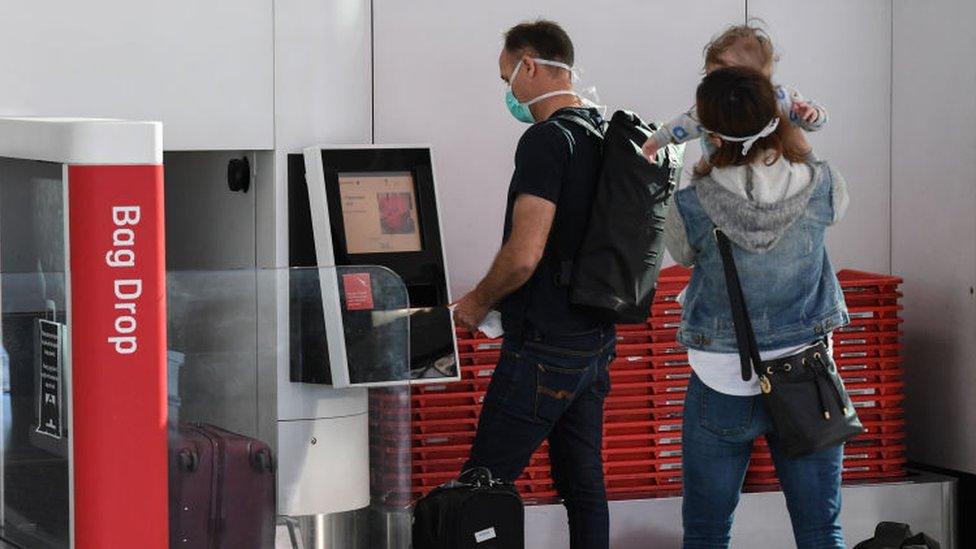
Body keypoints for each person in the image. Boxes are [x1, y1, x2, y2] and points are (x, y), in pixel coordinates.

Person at [665, 65, 850, 549]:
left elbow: (682, 255)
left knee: (707, 533)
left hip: (720, 380)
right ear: (777, 116)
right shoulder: (821, 183)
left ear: (708, 129)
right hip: (806, 377)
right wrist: (794, 127)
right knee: (820, 532)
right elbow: (837, 206)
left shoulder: (692, 203)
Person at [451, 19, 615, 549]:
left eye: (508, 80)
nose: (510, 94)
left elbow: (524, 257)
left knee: (482, 483)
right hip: (594, 342)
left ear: (530, 66)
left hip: (543, 347)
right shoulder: (602, 130)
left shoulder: (546, 139)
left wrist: (474, 304)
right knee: (583, 486)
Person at [642, 24, 827, 174]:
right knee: (707, 169)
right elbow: (680, 126)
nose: (721, 92)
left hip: (780, 170)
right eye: (713, 81)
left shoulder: (781, 99)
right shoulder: (711, 110)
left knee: (806, 163)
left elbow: (814, 124)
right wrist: (655, 142)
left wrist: (813, 115)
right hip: (732, 174)